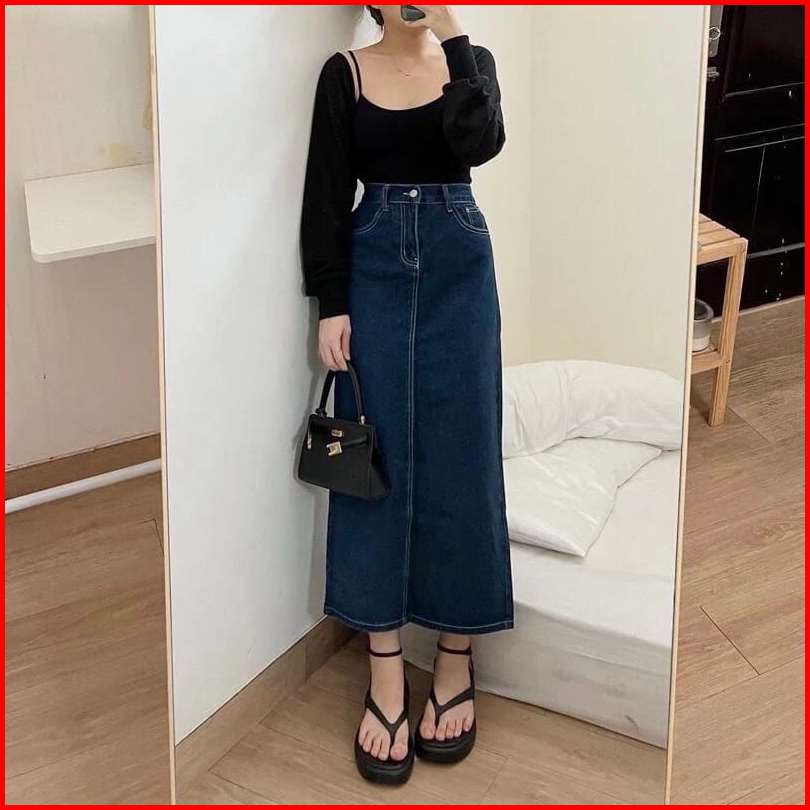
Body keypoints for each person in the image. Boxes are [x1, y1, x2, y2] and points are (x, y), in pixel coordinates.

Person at [300, 4, 513, 784]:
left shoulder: (470, 62)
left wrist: (455, 37)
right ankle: (384, 669)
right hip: (375, 266)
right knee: (372, 464)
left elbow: (479, 144)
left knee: (465, 456)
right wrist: (332, 302)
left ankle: (455, 656)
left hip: (460, 263)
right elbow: (326, 191)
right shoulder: (345, 73)